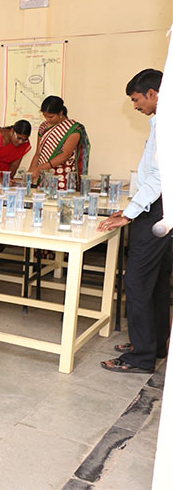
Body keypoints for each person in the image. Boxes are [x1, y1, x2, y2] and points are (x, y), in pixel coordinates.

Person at [99, 69, 170, 373]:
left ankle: (141, 357)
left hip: (156, 210)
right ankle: (155, 345)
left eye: (136, 99)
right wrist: (130, 208)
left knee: (137, 282)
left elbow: (159, 177)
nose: (135, 105)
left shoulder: (165, 124)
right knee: (157, 282)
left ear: (152, 93)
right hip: (160, 210)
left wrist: (130, 213)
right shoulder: (162, 121)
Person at [26, 96, 90, 191]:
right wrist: (31, 171)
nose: (48, 119)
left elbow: (65, 154)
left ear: (60, 113)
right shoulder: (43, 126)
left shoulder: (73, 129)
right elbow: (38, 153)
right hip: (44, 173)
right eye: (45, 116)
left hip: (63, 175)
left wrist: (39, 169)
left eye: (51, 116)